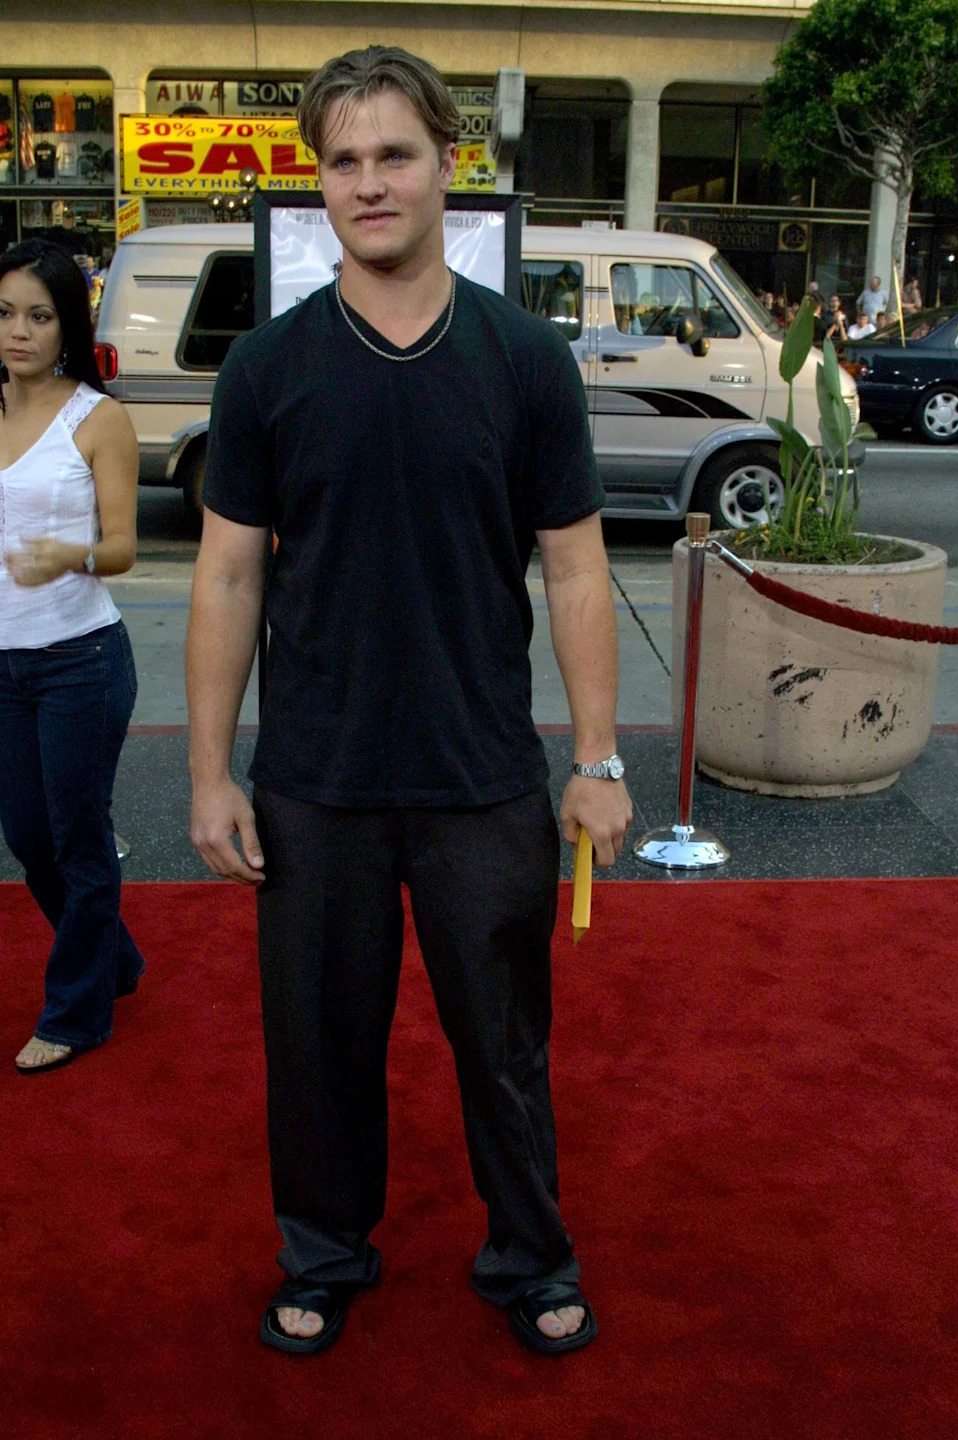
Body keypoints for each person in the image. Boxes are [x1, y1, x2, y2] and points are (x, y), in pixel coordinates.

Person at [186, 44, 632, 1360]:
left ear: (450, 166)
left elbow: (577, 567)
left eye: (394, 155)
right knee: (318, 1052)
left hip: (483, 777)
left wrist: (597, 757)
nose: (369, 183)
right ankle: (325, 1252)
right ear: (316, 183)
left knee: (504, 1050)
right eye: (343, 161)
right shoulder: (265, 369)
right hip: (313, 782)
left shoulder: (525, 358)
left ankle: (529, 1252)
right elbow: (222, 578)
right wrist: (210, 774)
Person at [0, 239, 144, 1074]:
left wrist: (69, 554)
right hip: (6, 667)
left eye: (39, 316)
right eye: (7, 314)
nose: (19, 332)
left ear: (67, 326)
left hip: (79, 658)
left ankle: (78, 1011)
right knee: (29, 837)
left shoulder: (97, 417)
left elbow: (123, 546)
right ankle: (114, 959)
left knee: (79, 838)